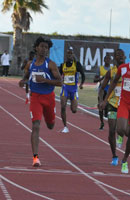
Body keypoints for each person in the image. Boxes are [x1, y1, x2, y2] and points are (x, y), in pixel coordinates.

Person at [18, 36, 62, 167]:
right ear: (36, 48)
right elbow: (26, 76)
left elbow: (60, 82)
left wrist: (45, 80)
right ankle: (35, 157)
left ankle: (51, 118)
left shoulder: (51, 64)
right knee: (36, 125)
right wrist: (23, 81)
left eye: (46, 47)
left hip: (49, 98)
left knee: (50, 125)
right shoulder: (30, 64)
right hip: (35, 98)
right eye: (42, 46)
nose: (44, 49)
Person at [99, 49, 125, 166]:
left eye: (122, 55)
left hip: (125, 104)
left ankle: (121, 136)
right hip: (112, 104)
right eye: (117, 55)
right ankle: (114, 155)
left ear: (125, 57)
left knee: (122, 129)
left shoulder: (129, 71)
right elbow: (102, 87)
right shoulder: (111, 72)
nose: (120, 57)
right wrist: (102, 101)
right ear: (114, 57)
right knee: (111, 130)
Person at [59, 47, 85, 133]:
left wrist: (81, 84)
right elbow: (58, 76)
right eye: (68, 53)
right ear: (66, 55)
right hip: (65, 88)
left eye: (71, 53)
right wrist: (60, 81)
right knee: (63, 107)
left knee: (74, 110)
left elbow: (83, 74)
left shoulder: (77, 64)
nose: (69, 55)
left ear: (73, 54)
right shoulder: (62, 65)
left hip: (73, 90)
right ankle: (65, 126)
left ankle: (72, 103)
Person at [94, 55, 111, 130]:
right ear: (104, 60)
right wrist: (102, 78)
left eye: (109, 59)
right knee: (101, 105)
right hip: (101, 88)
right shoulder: (100, 68)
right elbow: (95, 80)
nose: (107, 60)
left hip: (110, 89)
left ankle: (106, 112)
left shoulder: (112, 69)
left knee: (107, 106)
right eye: (106, 59)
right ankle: (102, 122)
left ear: (110, 60)